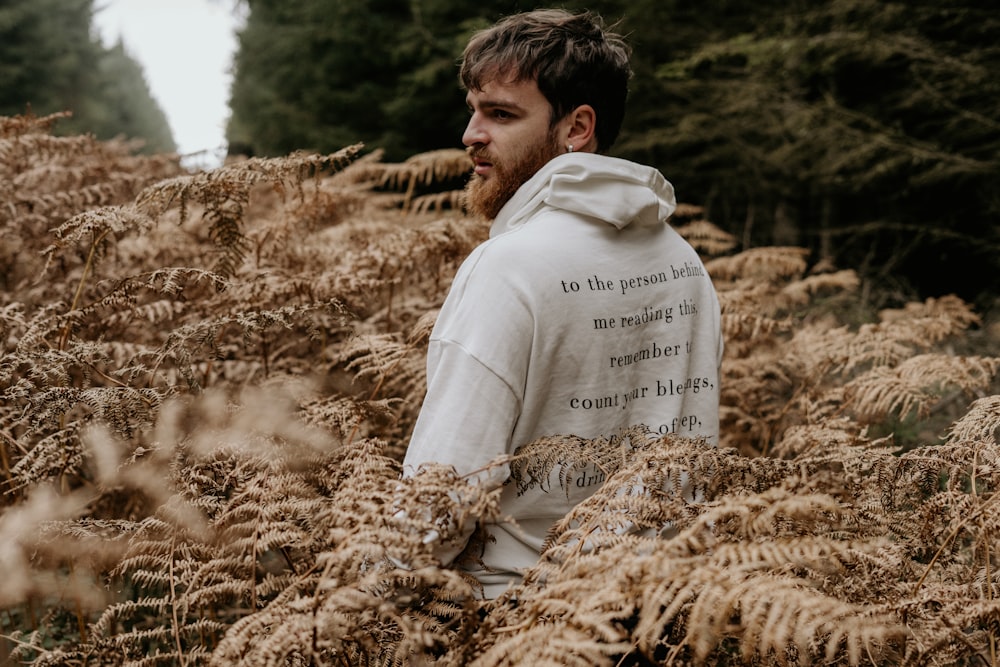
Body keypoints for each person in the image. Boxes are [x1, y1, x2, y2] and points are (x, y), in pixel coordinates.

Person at [401, 8, 723, 599]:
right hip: (655, 612)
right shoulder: (684, 263)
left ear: (577, 128)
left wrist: (345, 614)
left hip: (511, 619)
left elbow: (438, 504)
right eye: (474, 110)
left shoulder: (507, 269)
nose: (471, 134)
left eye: (500, 114)